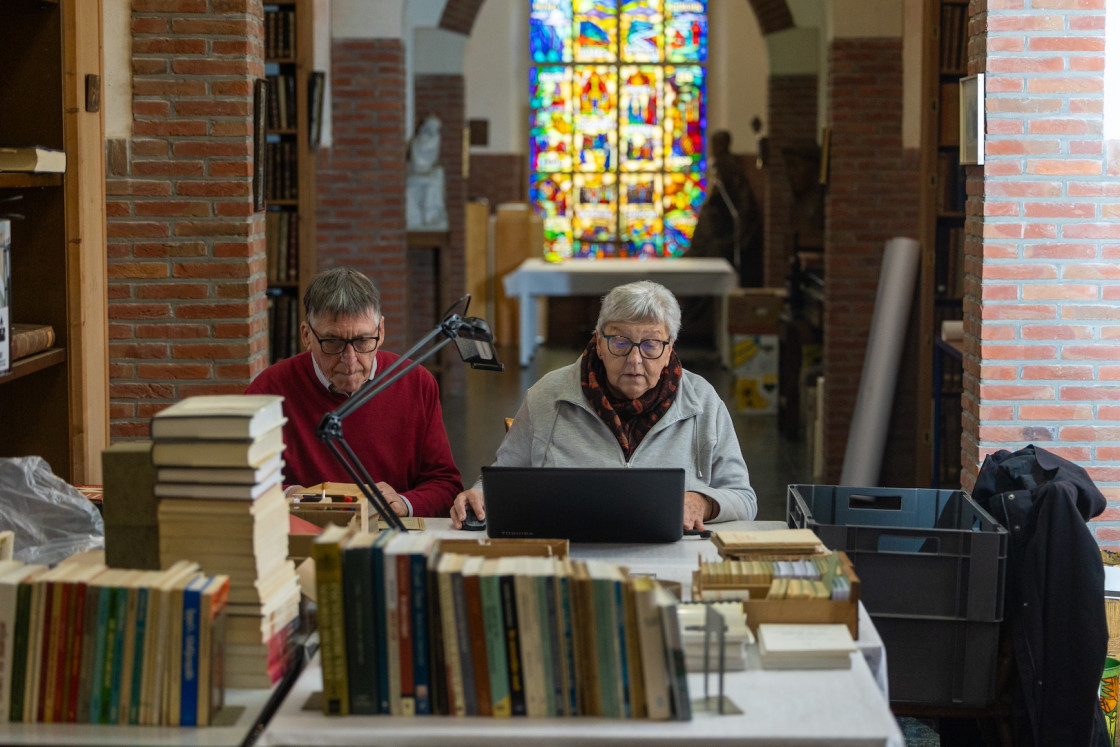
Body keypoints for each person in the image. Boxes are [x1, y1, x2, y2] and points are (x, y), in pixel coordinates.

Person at [451, 280, 757, 530]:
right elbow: (502, 480)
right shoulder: (548, 395)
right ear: (599, 342)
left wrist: (702, 502)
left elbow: (743, 498)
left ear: (669, 349)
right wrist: (477, 496)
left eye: (651, 344)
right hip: (569, 553)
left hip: (675, 555)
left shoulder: (703, 401)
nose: (635, 360)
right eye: (620, 343)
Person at [246, 267, 462, 517]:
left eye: (362, 341)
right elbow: (240, 483)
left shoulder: (416, 382)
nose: (349, 360)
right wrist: (289, 495)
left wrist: (403, 503)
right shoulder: (267, 392)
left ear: (380, 332)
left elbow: (446, 485)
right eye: (332, 342)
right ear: (306, 335)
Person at [689, 129, 763, 287]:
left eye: (716, 144)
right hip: (718, 222)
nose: (713, 148)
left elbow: (738, 201)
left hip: (725, 227)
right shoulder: (720, 164)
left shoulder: (727, 165)